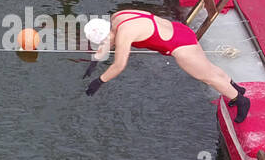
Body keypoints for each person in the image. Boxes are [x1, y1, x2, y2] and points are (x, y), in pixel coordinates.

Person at [82, 13, 251, 118]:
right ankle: (236, 88)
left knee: (207, 78)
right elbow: (110, 38)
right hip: (180, 31)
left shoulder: (124, 34)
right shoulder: (118, 18)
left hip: (179, 47)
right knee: (208, 68)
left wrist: (100, 81)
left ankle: (240, 100)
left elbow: (119, 65)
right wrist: (95, 60)